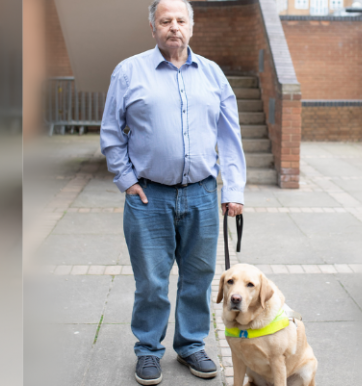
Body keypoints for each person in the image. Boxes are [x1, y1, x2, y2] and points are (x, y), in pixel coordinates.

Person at [100, 0, 246, 383]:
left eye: (181, 20)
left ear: (192, 27)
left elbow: (230, 137)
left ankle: (191, 345)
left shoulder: (213, 74)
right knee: (151, 281)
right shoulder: (129, 72)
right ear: (153, 28)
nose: (174, 27)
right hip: (149, 196)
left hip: (201, 193)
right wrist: (126, 180)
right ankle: (148, 350)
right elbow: (112, 134)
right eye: (165, 21)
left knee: (198, 277)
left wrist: (233, 189)